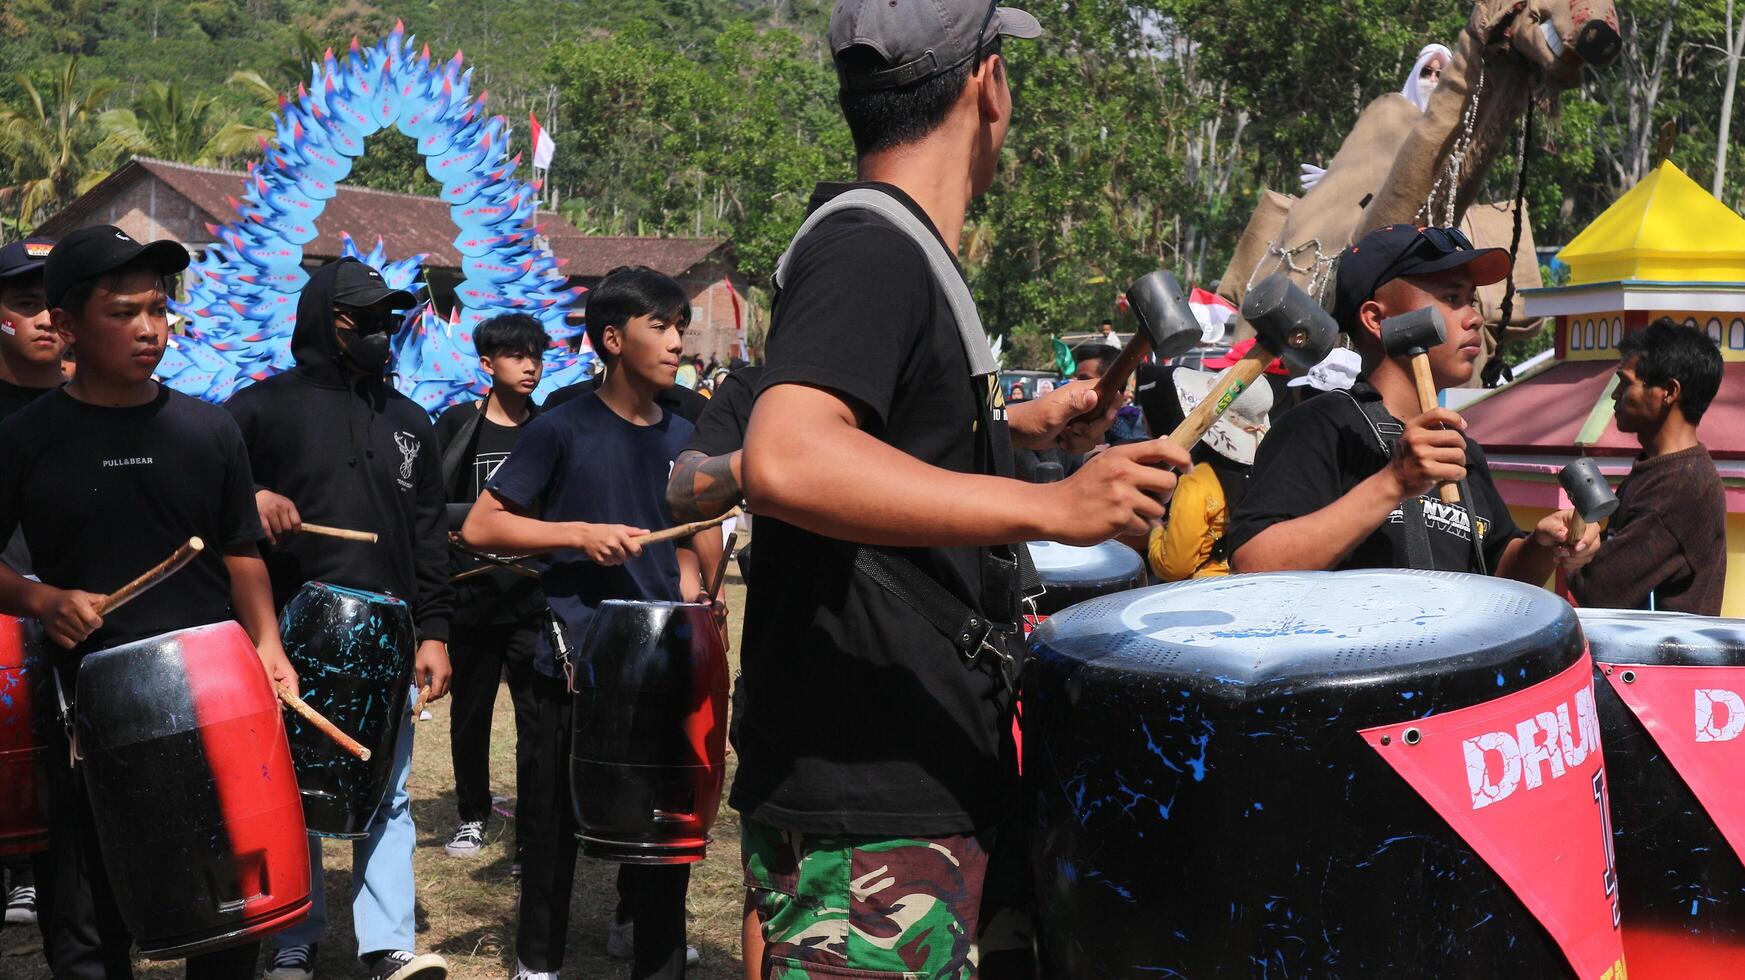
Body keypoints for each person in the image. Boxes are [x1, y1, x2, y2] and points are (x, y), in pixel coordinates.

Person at [734, 3, 1186, 977]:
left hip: (916, 759)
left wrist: (1016, 426)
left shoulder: (907, 252)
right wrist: (1051, 507)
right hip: (869, 791)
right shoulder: (869, 246)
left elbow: (883, 438)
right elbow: (787, 455)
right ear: (986, 83)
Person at [0, 224, 298, 979]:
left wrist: (268, 649)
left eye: (157, 310)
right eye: (123, 312)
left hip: (213, 701)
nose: (148, 329)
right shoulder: (26, 438)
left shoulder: (210, 430)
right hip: (86, 706)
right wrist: (41, 599)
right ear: (66, 325)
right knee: (90, 928)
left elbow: (242, 556)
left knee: (229, 917)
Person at [462, 266, 716, 980]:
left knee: (664, 828)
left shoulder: (687, 432)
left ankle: (654, 956)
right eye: (659, 327)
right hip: (572, 662)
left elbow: (695, 536)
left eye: (679, 330)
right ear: (612, 338)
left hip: (662, 665)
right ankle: (537, 963)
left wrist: (699, 594)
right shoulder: (560, 428)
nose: (675, 344)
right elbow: (483, 525)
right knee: (550, 825)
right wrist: (575, 534)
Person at [227, 257, 453, 980]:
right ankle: (294, 934)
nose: (384, 330)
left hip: (391, 632)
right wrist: (253, 496)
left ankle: (385, 945)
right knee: (292, 793)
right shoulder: (257, 410)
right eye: (366, 317)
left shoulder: (410, 421)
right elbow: (208, 508)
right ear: (328, 319)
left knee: (386, 794)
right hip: (291, 631)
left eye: (391, 317)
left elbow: (426, 537)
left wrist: (437, 629)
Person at [1228, 223, 1601, 580]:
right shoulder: (1325, 425)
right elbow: (1253, 563)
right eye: (1452, 298)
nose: (1474, 318)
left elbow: (1498, 570)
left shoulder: (1460, 449)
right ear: (1376, 318)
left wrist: (1541, 546)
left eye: (1471, 299)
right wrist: (1395, 481)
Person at [432, 313, 549, 869]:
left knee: (537, 721)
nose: (530, 365)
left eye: (537, 355)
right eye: (516, 355)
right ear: (486, 364)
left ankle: (534, 828)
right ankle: (473, 815)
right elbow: (429, 509)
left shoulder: (549, 429)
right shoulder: (456, 427)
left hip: (534, 603)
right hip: (471, 602)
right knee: (470, 714)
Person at [1569, 319, 1727, 614]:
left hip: (1665, 660)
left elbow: (1598, 590)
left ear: (1668, 391)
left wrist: (1568, 556)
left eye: (1626, 383)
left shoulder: (1682, 488)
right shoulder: (1658, 470)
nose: (1615, 395)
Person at [0, 235, 58, 932]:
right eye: (25, 302)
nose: (46, 317)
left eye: (56, 303)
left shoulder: (100, 405)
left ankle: (35, 876)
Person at [1134, 363, 1272, 580]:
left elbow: (1173, 567)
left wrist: (1156, 527)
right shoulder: (1264, 475)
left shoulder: (1197, 482)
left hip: (1202, 594)